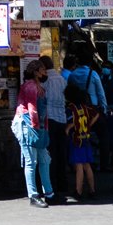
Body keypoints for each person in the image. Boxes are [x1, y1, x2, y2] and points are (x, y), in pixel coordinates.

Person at [12, 59, 52, 208]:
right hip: (27, 126)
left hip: (37, 127)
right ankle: (33, 195)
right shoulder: (30, 87)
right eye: (43, 70)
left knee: (44, 160)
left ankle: (49, 192)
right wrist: (37, 128)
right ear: (36, 72)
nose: (45, 72)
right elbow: (32, 109)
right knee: (31, 161)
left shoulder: (37, 86)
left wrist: (43, 128)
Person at [40, 55, 68, 199]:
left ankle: (52, 184)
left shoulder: (45, 82)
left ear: (43, 67)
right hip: (62, 118)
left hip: (49, 119)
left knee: (50, 155)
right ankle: (63, 183)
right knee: (61, 152)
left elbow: (43, 99)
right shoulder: (62, 79)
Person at [66, 86, 98, 201]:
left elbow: (72, 122)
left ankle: (78, 191)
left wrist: (69, 127)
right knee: (87, 165)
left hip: (77, 139)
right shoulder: (86, 108)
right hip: (86, 138)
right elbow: (97, 114)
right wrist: (89, 125)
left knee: (79, 165)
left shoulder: (71, 108)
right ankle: (92, 190)